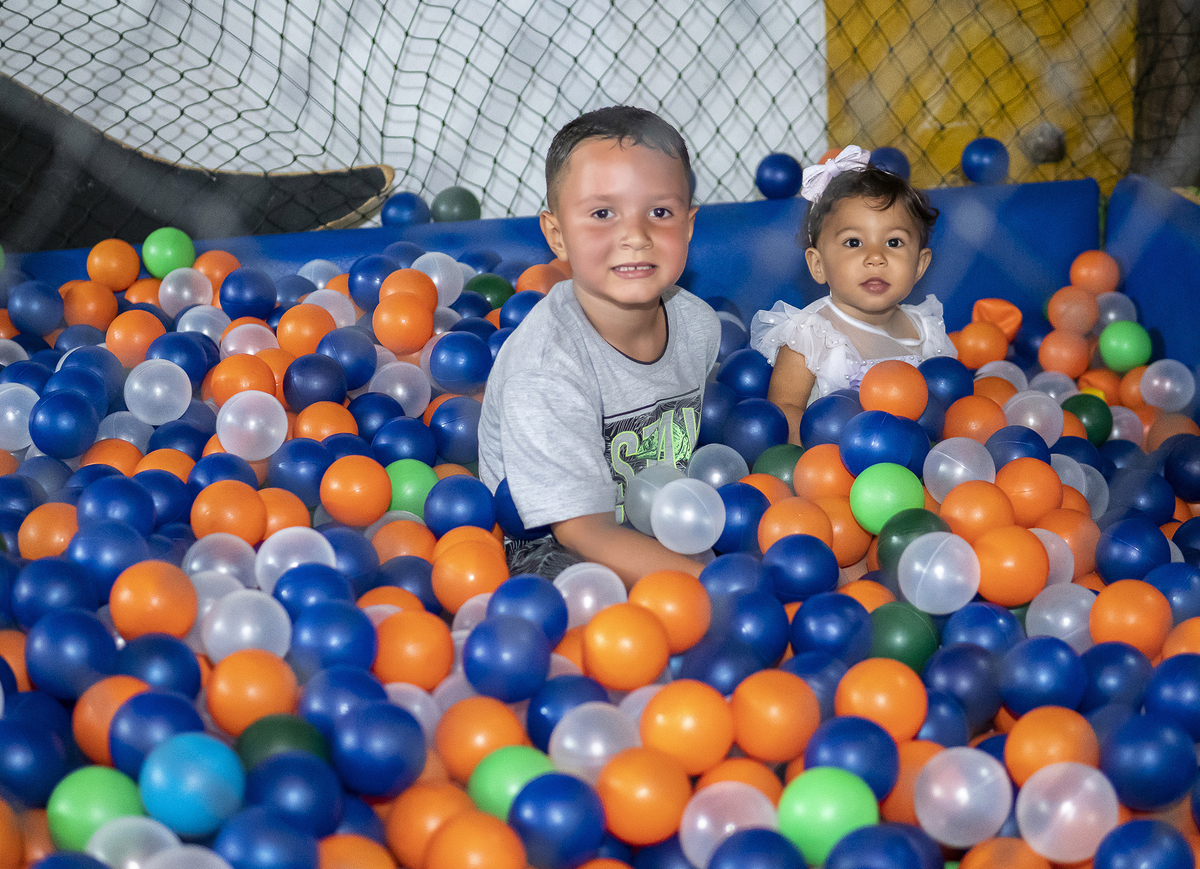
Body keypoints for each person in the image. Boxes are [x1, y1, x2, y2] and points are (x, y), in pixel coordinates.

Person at [478, 106, 721, 588]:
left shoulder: (698, 325)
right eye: (603, 213)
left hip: (659, 513)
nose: (635, 236)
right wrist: (712, 580)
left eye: (660, 212)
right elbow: (582, 532)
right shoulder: (548, 368)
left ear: (689, 225)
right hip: (548, 540)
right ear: (557, 234)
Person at [750, 146, 957, 443]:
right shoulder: (810, 334)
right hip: (836, 469)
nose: (875, 257)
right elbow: (784, 410)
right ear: (818, 265)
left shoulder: (926, 328)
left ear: (920, 265)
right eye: (853, 242)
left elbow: (947, 402)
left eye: (894, 242)